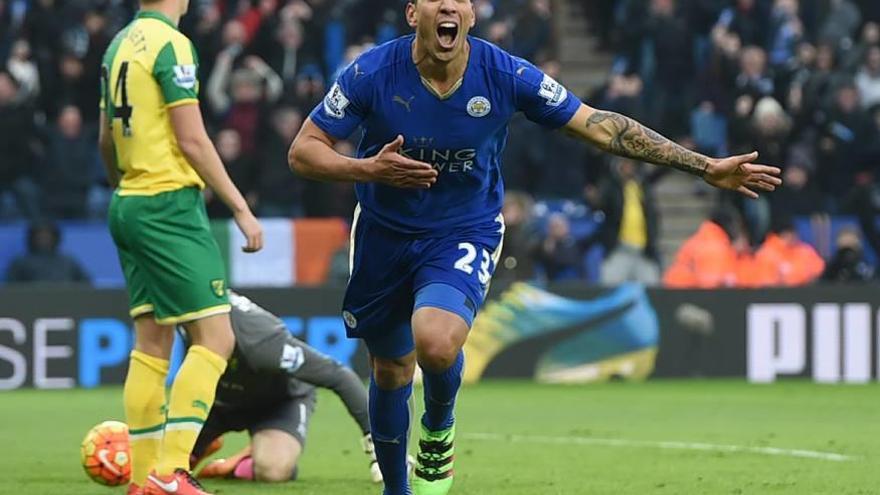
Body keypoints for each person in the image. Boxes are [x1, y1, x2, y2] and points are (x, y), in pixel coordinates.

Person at [288, 2, 781, 494]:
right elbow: (303, 150)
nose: (448, 7)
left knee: (436, 343)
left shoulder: (505, 73)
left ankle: (438, 431)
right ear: (413, 14)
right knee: (391, 367)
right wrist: (366, 169)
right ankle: (398, 490)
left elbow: (598, 125)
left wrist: (704, 166)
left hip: (463, 227)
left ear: (471, 16)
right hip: (384, 231)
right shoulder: (372, 72)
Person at [97, 0, 264, 493]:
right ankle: (170, 473)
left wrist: (123, 185)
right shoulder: (173, 44)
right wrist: (239, 207)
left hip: (127, 201)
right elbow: (192, 139)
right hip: (168, 205)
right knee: (216, 338)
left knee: (152, 343)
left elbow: (107, 137)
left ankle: (143, 476)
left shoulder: (119, 43)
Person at [188, 290, 382, 483]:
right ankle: (202, 444)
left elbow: (338, 375)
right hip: (214, 399)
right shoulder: (184, 313)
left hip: (277, 403)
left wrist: (379, 448)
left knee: (272, 470)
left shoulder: (262, 342)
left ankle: (243, 462)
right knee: (162, 465)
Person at [4, 221, 90, 284]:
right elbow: (11, 288)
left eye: (47, 236)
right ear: (31, 238)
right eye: (39, 236)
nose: (43, 239)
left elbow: (86, 285)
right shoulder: (20, 262)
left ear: (55, 238)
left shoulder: (68, 262)